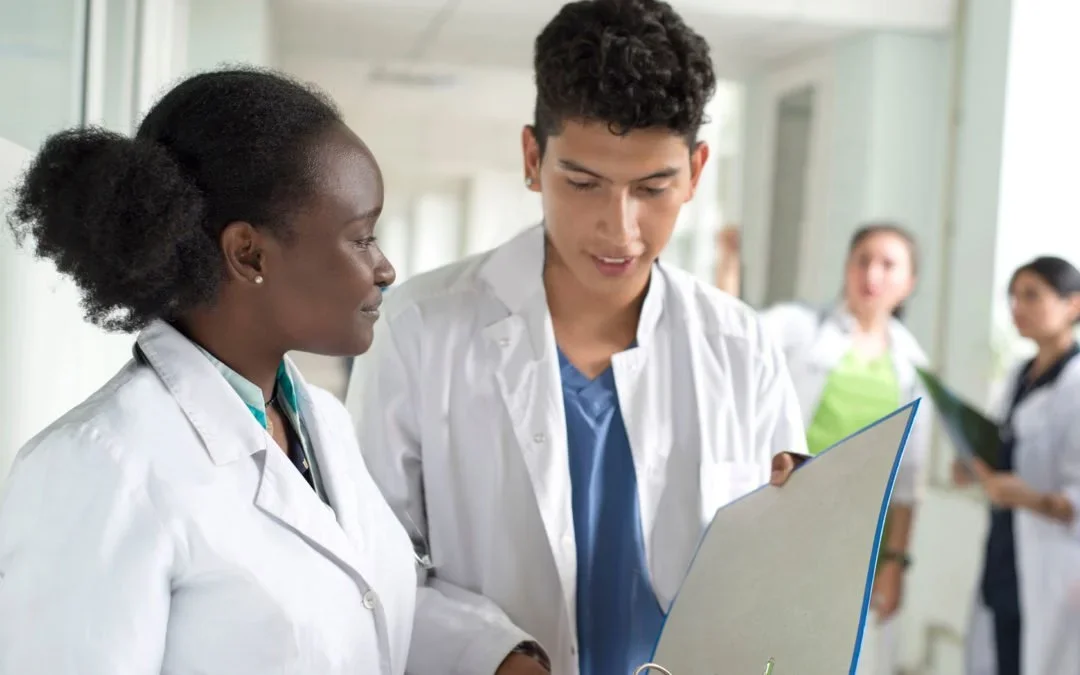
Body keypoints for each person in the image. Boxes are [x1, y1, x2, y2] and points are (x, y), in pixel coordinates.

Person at [345, 2, 809, 674]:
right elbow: (371, 565)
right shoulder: (422, 329)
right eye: (585, 183)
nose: (619, 228)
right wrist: (492, 653)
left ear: (697, 171)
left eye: (653, 187)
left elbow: (780, 567)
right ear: (534, 158)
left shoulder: (741, 346)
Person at [0, 68, 414, 675]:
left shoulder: (319, 422)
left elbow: (365, 614)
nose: (385, 269)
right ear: (249, 253)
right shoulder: (101, 466)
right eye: (362, 238)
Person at [715, 222, 931, 674]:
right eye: (862, 260)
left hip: (859, 538)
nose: (872, 274)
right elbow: (731, 331)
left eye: (888, 265)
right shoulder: (800, 327)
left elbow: (910, 477)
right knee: (764, 645)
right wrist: (730, 264)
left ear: (909, 283)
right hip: (786, 517)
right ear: (847, 268)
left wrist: (895, 561)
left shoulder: (912, 365)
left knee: (831, 655)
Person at [955, 256, 1080, 675]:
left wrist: (1032, 498)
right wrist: (975, 468)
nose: (1017, 307)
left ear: (1073, 305)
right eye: (1013, 297)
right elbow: (1007, 451)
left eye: (1032, 295)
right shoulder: (1019, 375)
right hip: (1007, 552)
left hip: (1057, 565)